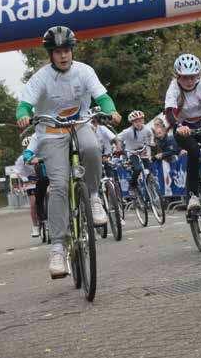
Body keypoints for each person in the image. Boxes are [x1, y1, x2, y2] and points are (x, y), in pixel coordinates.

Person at [16, 26, 121, 279]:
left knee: (92, 147)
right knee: (60, 187)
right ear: (50, 54)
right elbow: (24, 104)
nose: (63, 56)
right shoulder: (41, 78)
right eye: (58, 52)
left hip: (79, 125)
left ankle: (94, 196)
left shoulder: (84, 71)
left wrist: (112, 110)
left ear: (71, 51)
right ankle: (58, 248)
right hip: (51, 133)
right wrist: (23, 116)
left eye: (66, 51)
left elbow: (102, 97)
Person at [164, 54, 201, 214]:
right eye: (184, 78)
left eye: (192, 77)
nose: (189, 81)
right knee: (194, 153)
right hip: (183, 127)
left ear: (198, 75)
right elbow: (169, 112)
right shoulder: (174, 88)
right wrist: (178, 125)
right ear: (178, 77)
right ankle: (193, 195)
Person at [115, 111, 154, 195]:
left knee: (150, 169)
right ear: (132, 123)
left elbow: (151, 136)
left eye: (140, 121)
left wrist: (151, 142)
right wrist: (118, 147)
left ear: (143, 121)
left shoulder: (147, 129)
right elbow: (117, 138)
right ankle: (132, 185)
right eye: (136, 122)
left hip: (142, 151)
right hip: (132, 152)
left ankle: (150, 186)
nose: (138, 123)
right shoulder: (128, 131)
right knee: (137, 168)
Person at [14, 136, 40, 238]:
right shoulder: (21, 159)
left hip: (42, 180)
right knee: (33, 205)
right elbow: (17, 172)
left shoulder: (40, 155)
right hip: (31, 183)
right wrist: (24, 179)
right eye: (26, 148)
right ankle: (35, 226)